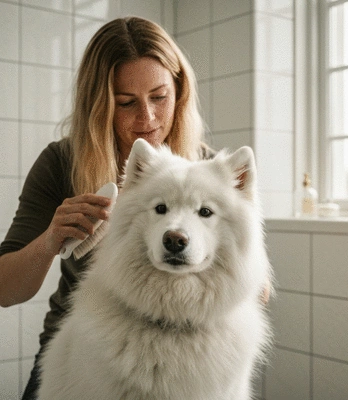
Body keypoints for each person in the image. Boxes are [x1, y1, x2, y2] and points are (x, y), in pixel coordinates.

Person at [0, 16, 212, 399]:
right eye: (125, 103)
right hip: (80, 348)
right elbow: (4, 289)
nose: (146, 118)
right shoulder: (62, 162)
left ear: (180, 91)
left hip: (183, 361)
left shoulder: (203, 171)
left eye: (159, 97)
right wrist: (50, 240)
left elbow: (253, 284)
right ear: (98, 103)